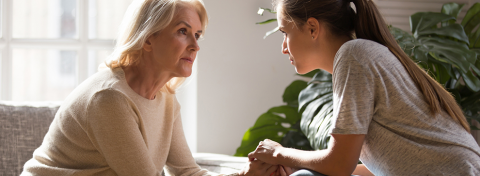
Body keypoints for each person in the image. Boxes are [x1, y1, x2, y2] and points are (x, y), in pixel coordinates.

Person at [21, 0, 278, 175]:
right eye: (182, 31)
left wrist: (246, 173)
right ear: (147, 38)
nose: (195, 46)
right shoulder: (109, 99)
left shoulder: (166, 99)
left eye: (197, 35)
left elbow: (186, 171)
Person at [248, 0, 480, 175]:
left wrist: (278, 153)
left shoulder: (354, 56)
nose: (283, 48)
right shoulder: (360, 55)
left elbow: (339, 164)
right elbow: (383, 167)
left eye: (285, 33)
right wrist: (295, 162)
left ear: (312, 28)